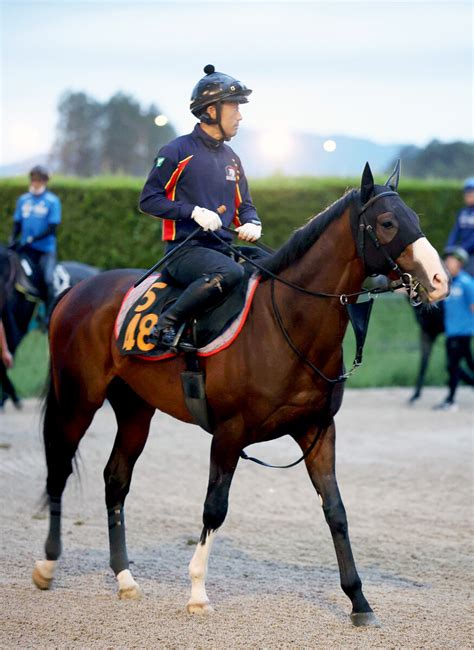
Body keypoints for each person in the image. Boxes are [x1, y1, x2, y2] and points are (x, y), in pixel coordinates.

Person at [140, 64, 263, 349]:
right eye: (234, 108)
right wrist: (192, 211)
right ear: (211, 111)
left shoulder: (232, 158)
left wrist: (252, 222)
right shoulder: (177, 151)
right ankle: (165, 325)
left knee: (269, 266)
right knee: (230, 273)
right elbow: (149, 199)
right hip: (185, 251)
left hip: (222, 249)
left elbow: (244, 205)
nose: (240, 116)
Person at [9, 165, 61, 320]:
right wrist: (13, 239)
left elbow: (52, 228)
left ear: (45, 181)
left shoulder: (52, 201)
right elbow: (17, 224)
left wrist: (32, 239)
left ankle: (49, 315)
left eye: (39, 180)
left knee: (48, 279)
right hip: (26, 250)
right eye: (33, 179)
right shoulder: (23, 200)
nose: (35, 183)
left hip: (45, 250)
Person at [434, 246, 474, 411]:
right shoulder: (446, 282)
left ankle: (450, 400)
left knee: (453, 366)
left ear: (460, 263)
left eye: (451, 260)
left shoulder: (466, 282)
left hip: (463, 332)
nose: (447, 262)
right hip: (451, 332)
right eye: (446, 260)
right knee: (465, 365)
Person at [446, 177, 474, 276]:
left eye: (471, 193)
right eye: (466, 193)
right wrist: (449, 247)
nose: (468, 196)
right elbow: (455, 231)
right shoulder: (462, 212)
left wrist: (463, 249)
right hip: (462, 251)